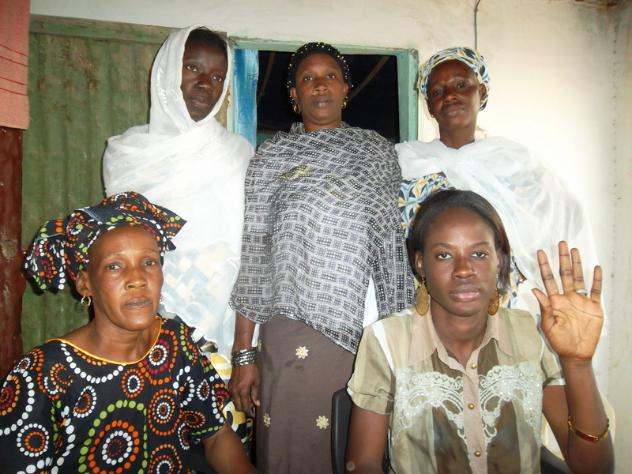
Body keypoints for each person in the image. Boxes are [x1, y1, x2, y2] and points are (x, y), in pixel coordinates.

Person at [228, 42, 414, 473]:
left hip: (362, 331)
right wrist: (243, 355)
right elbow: (255, 255)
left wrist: (403, 343)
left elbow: (391, 249)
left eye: (330, 76)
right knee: (289, 449)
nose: (320, 85)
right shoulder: (272, 157)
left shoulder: (374, 152)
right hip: (288, 328)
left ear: (346, 88)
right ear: (294, 94)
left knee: (352, 452)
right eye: (307, 78)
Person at [346, 189, 614, 474]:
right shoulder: (387, 340)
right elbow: (362, 464)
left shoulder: (530, 335)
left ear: (499, 259)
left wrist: (578, 364)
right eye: (444, 255)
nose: (464, 270)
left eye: (479, 254)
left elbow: (594, 469)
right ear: (420, 263)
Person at [0, 192, 252, 473]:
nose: (137, 279)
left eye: (149, 262)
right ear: (85, 284)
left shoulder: (174, 341)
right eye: (114, 266)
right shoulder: (44, 373)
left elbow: (216, 435)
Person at [397, 47, 599, 316]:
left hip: (498, 308)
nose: (449, 95)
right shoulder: (406, 164)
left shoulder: (514, 165)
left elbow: (562, 218)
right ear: (430, 107)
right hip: (422, 309)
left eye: (461, 85)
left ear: (481, 93)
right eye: (437, 92)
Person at [103, 26, 253, 385]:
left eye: (217, 76)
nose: (205, 84)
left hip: (223, 323)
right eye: (192, 68)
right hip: (142, 314)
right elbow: (118, 247)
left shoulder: (237, 155)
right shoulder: (127, 154)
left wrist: (245, 350)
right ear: (167, 70)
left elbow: (251, 252)